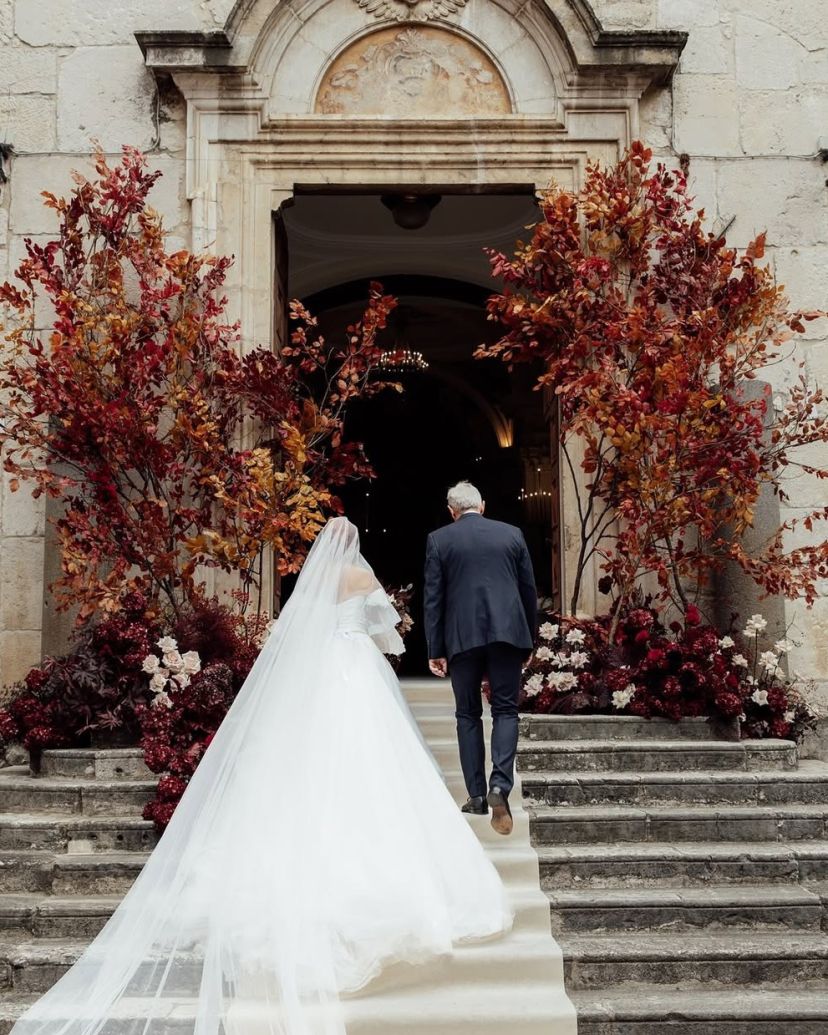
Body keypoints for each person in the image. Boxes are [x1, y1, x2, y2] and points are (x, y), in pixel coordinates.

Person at [11, 517, 512, 1035]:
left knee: (310, 756)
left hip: (319, 674)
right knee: (374, 760)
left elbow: (297, 632)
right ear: (354, 544)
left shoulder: (314, 583)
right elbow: (389, 637)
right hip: (357, 671)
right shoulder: (363, 580)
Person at [424, 482, 537, 836]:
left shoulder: (439, 540)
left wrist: (435, 648)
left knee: (467, 713)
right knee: (505, 710)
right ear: (483, 506)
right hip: (507, 633)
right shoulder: (512, 535)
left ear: (451, 511)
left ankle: (476, 795)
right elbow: (527, 590)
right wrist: (528, 639)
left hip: (462, 637)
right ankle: (500, 786)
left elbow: (433, 599)